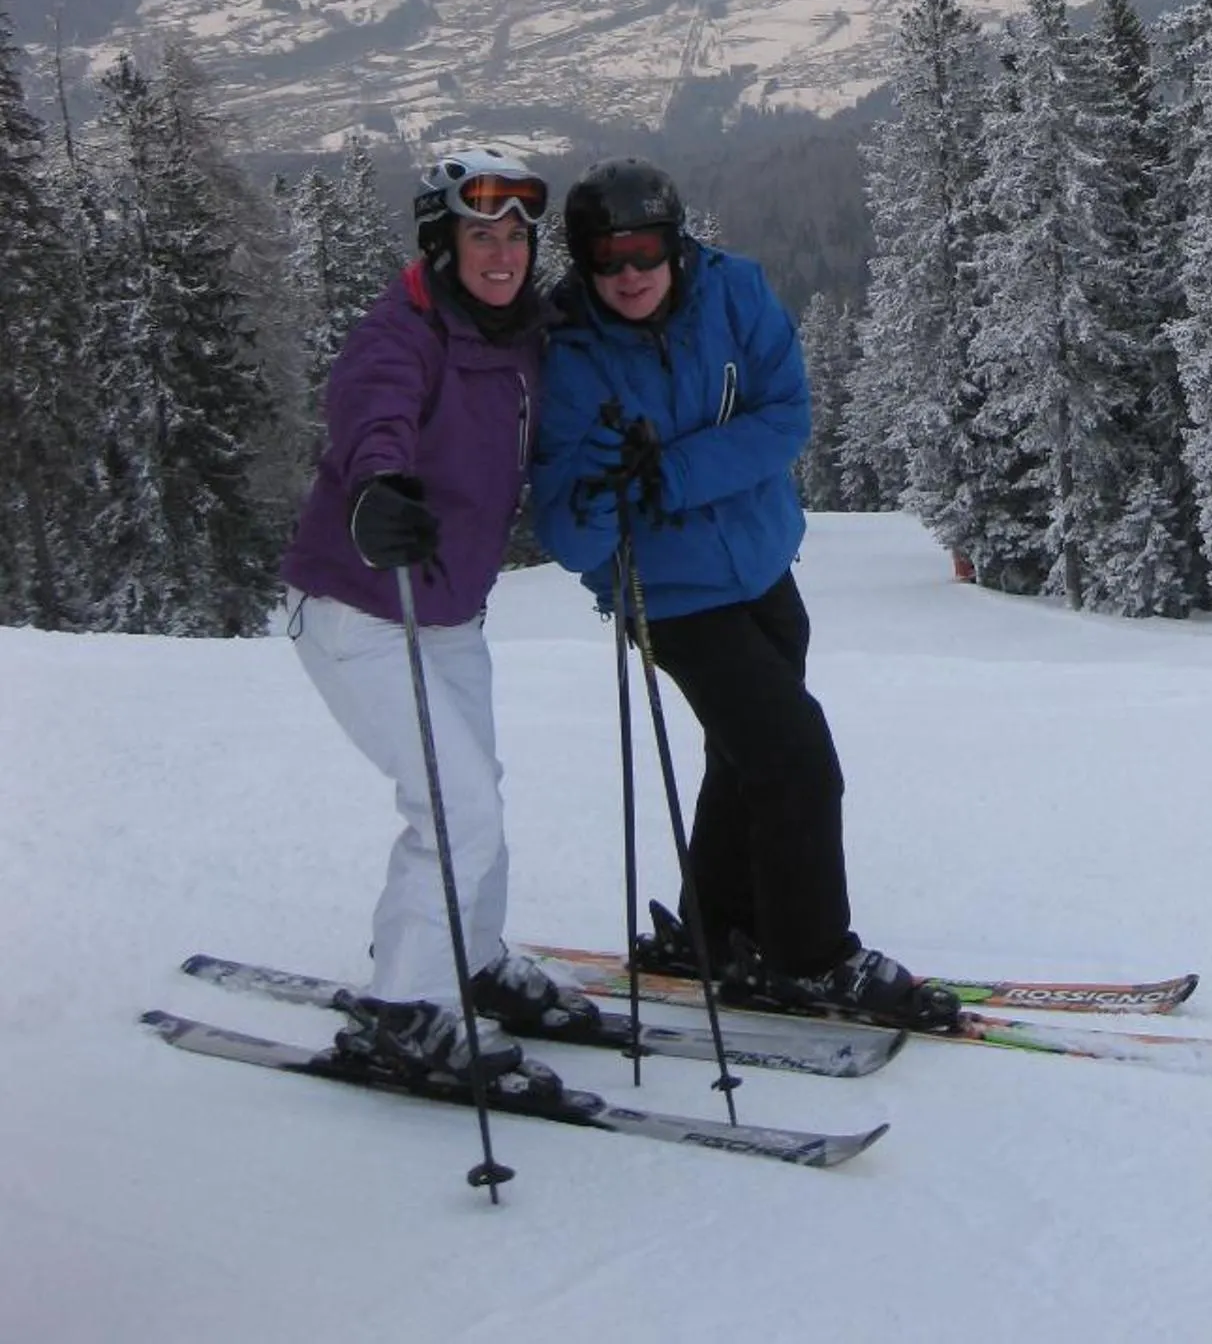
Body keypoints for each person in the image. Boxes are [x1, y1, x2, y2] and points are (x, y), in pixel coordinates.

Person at [531, 158, 955, 1032]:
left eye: (646, 250)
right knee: (796, 757)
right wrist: (602, 483)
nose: (630, 273)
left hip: (763, 566)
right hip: (671, 597)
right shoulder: (569, 354)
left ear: (676, 243)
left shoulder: (734, 291)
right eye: (607, 257)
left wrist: (672, 472)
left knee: (744, 755)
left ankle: (715, 926)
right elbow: (569, 538)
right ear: (583, 260)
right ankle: (811, 957)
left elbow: (785, 415)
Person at [280, 145, 596, 1080]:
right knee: (457, 806)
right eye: (480, 236)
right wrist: (378, 487)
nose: (502, 255)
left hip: (450, 609)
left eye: (516, 237)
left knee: (475, 792)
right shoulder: (401, 331)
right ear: (442, 244)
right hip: (363, 606)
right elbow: (370, 414)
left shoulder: (520, 334)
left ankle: (471, 958)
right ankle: (407, 1007)